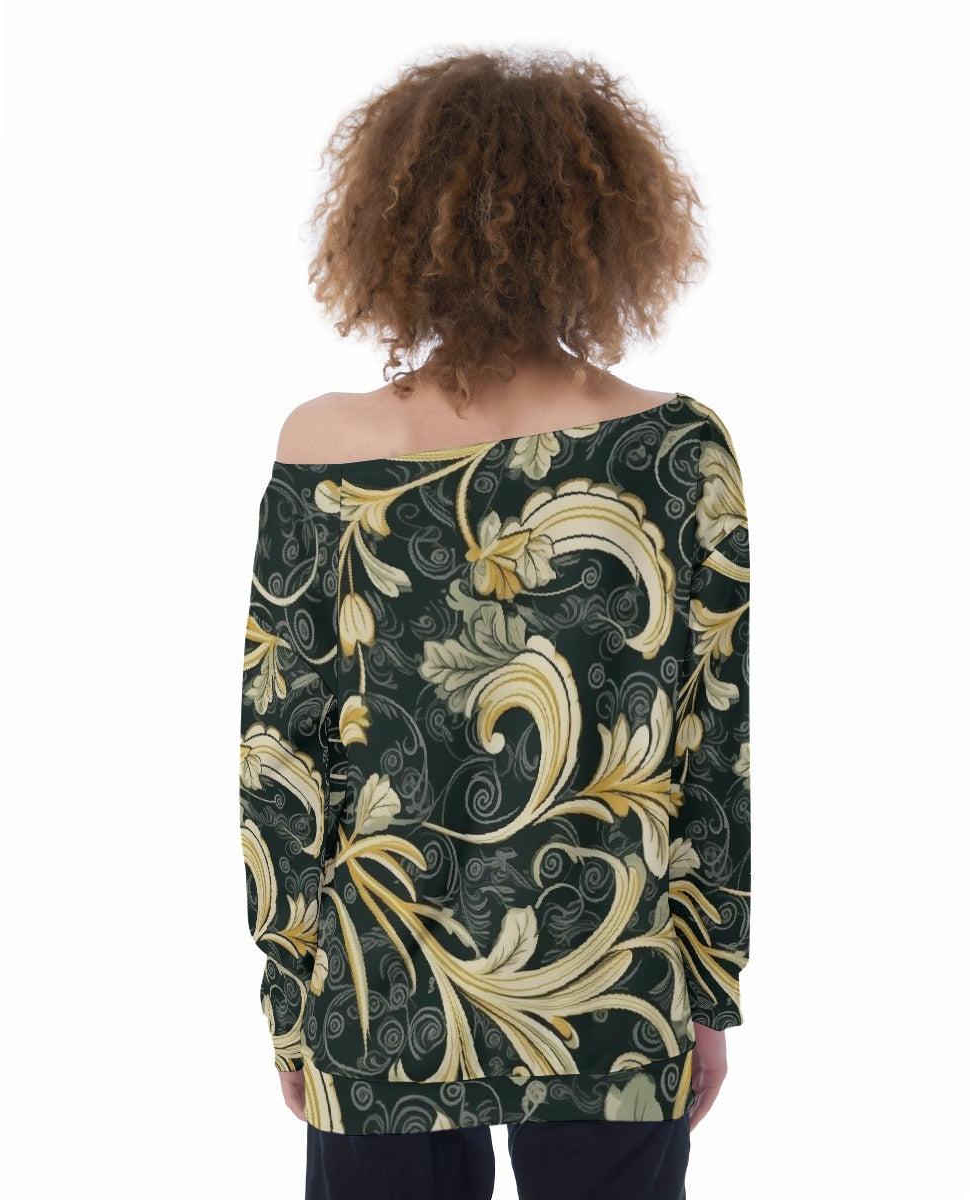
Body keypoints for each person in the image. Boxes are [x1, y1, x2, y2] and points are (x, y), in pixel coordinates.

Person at [238, 47, 750, 1200]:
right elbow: (712, 742)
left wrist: (292, 1001)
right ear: (604, 228)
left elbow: (281, 756)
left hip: (380, 988)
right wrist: (707, 987)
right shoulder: (675, 450)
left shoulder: (325, 447)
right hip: (613, 978)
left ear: (391, 226)